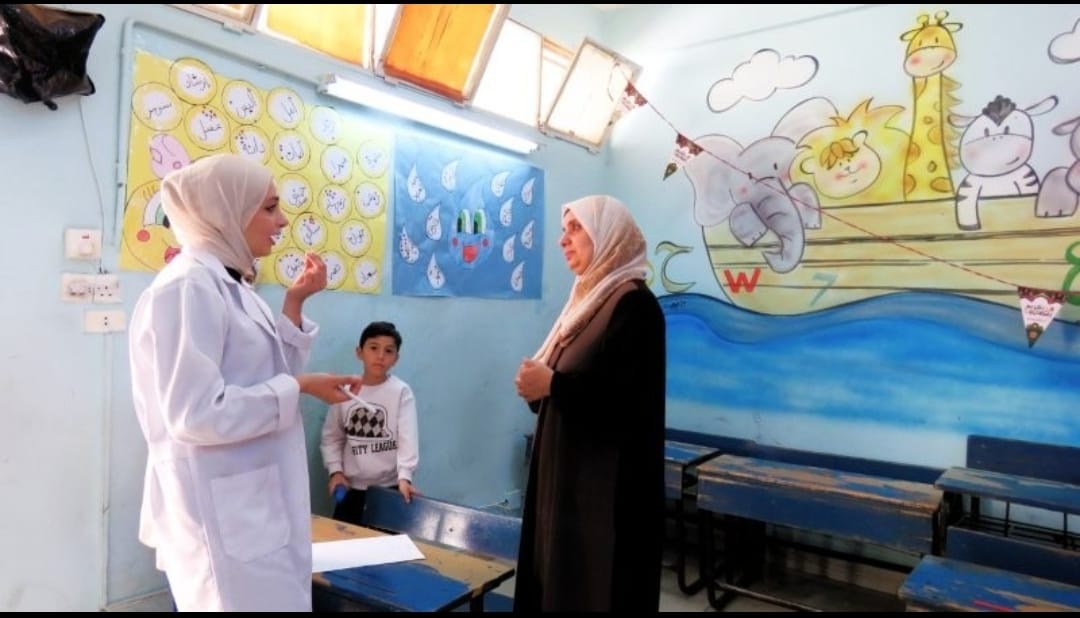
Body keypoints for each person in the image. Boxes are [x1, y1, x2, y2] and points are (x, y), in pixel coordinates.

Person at [128, 154, 362, 612]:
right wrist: (301, 387)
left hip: (252, 502)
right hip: (221, 510)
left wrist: (294, 303)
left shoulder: (231, 282)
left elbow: (267, 374)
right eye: (270, 207)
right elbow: (196, 415)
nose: (283, 221)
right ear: (227, 211)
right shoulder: (189, 286)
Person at [513, 194, 666, 612]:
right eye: (564, 230)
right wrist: (539, 388)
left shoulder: (633, 304)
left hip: (606, 490)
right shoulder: (584, 303)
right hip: (566, 479)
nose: (563, 240)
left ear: (609, 235)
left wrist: (552, 385)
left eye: (576, 228)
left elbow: (626, 403)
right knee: (560, 582)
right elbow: (574, 381)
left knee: (597, 587)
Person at [321, 321, 420, 525]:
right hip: (351, 489)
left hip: (390, 489)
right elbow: (332, 438)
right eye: (374, 348)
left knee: (387, 543)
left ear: (396, 359)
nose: (381, 356)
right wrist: (336, 472)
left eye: (388, 351)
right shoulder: (345, 391)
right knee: (345, 541)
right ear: (359, 352)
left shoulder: (401, 392)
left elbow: (407, 439)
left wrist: (405, 477)